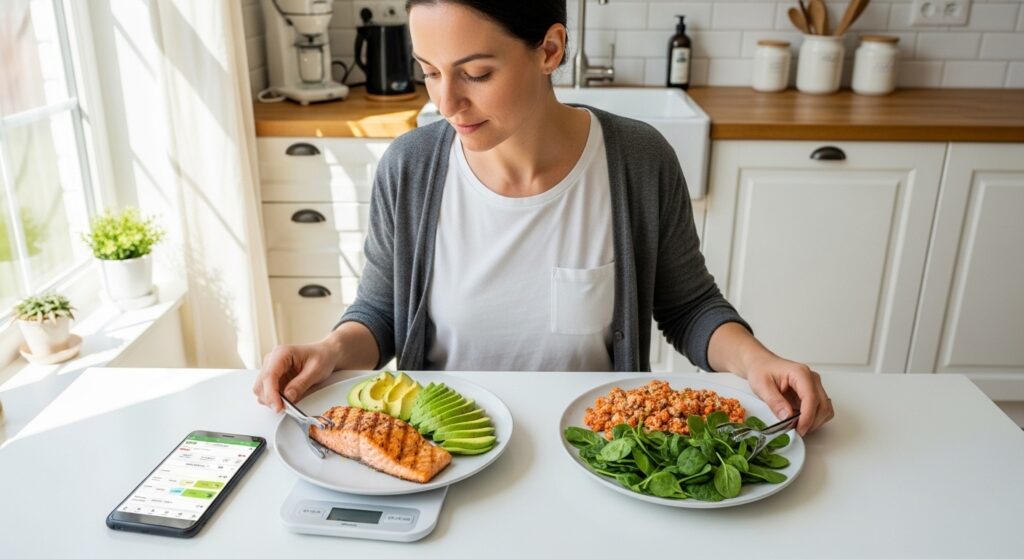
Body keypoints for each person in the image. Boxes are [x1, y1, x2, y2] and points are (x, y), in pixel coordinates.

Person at [254, 0, 835, 436]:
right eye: (429, 70)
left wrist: (761, 362)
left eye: (476, 73)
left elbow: (688, 306)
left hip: (593, 448)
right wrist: (329, 350)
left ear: (550, 50)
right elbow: (381, 314)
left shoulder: (637, 160)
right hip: (447, 455)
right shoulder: (409, 168)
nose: (445, 102)